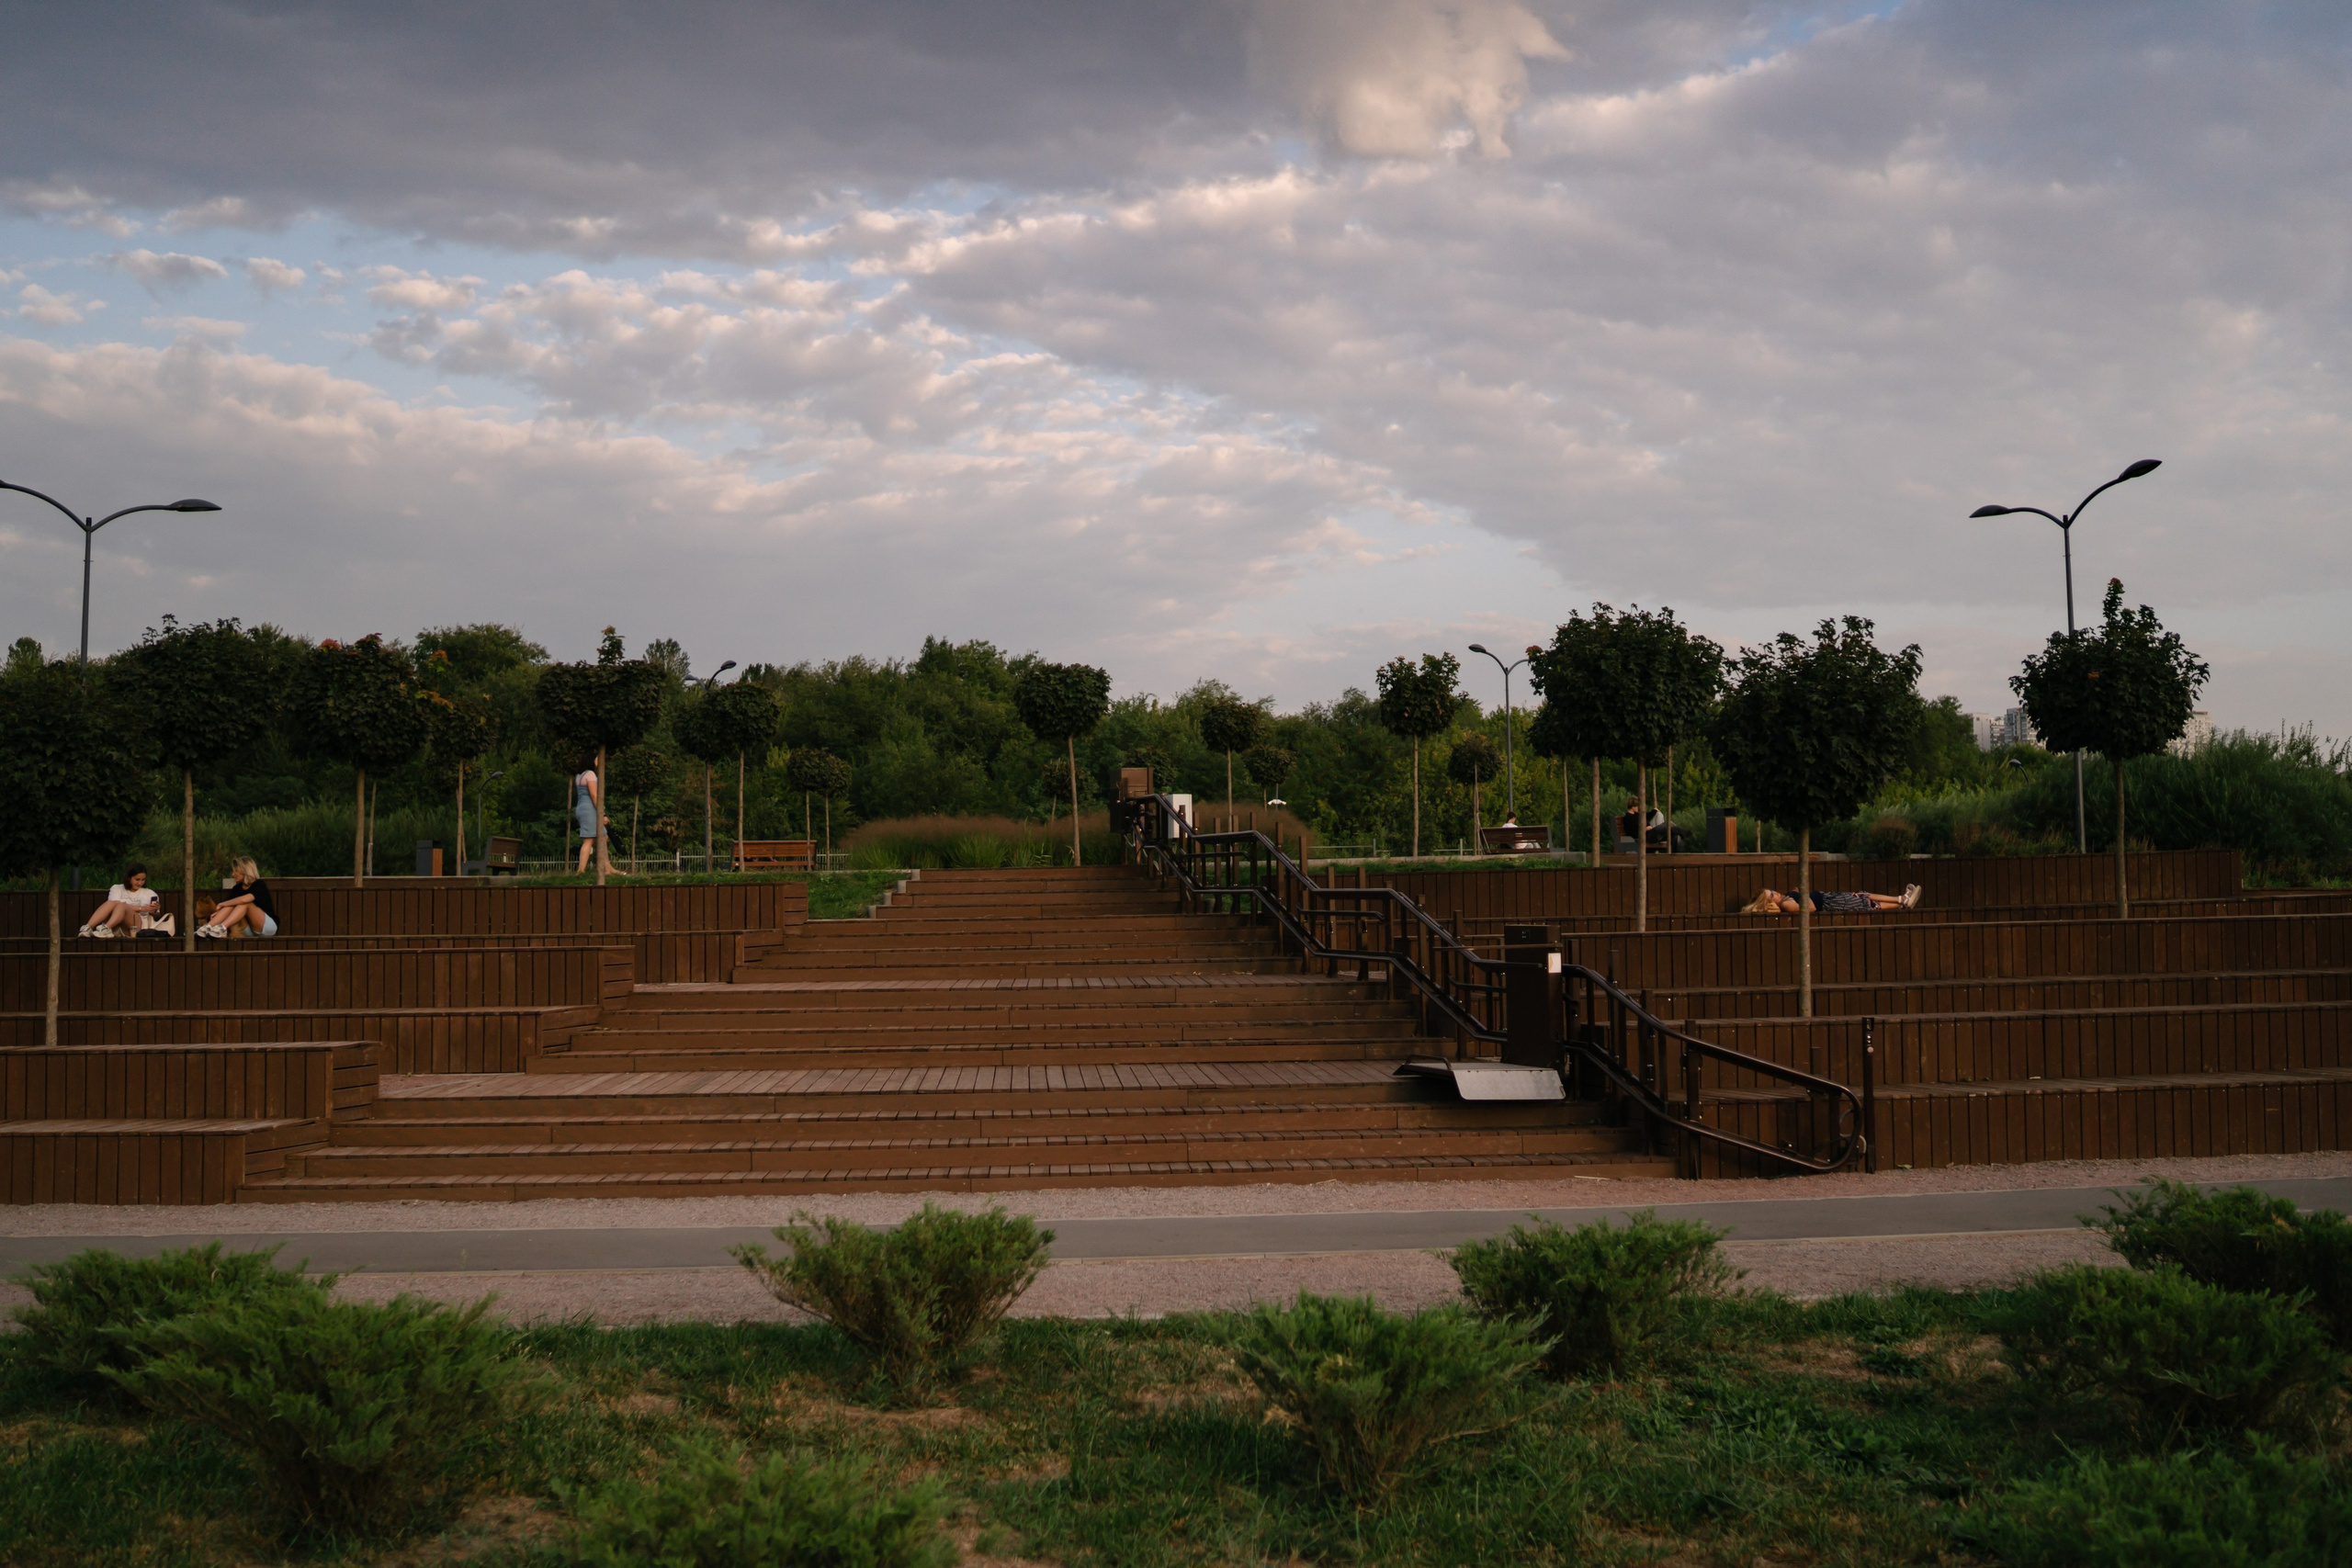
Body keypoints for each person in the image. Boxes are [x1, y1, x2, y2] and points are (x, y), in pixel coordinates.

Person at [198, 857, 278, 938]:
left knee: (246, 904)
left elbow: (244, 900)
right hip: (248, 930)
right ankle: (207, 927)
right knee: (232, 904)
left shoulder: (259, 885)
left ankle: (222, 928)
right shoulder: (236, 889)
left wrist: (222, 904)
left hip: (267, 927)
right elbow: (229, 906)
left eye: (236, 871)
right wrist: (218, 913)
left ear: (246, 871)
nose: (233, 874)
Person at [79, 865, 160, 938]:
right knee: (112, 903)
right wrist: (141, 908)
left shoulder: (150, 893)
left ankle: (106, 928)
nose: (140, 883)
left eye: (143, 880)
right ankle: (88, 927)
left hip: (136, 926)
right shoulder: (117, 888)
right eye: (137, 879)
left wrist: (155, 910)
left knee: (121, 905)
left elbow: (156, 916)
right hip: (116, 923)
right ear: (129, 878)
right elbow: (114, 904)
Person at [1742, 884, 1922, 915]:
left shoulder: (1787, 899)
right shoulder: (1787, 905)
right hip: (1830, 903)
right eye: (1772, 895)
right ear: (1770, 903)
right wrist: (1802, 894)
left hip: (1829, 898)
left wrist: (1796, 891)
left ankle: (1902, 903)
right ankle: (1902, 899)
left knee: (1863, 897)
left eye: (1772, 890)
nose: (1776, 893)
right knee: (1865, 901)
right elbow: (1810, 908)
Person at [572, 759, 605, 874]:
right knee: (589, 840)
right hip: (589, 809)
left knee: (603, 836)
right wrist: (602, 813)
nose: (598, 761)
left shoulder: (579, 776)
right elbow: (594, 795)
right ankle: (580, 871)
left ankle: (607, 867)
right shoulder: (590, 774)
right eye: (596, 759)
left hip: (581, 807)